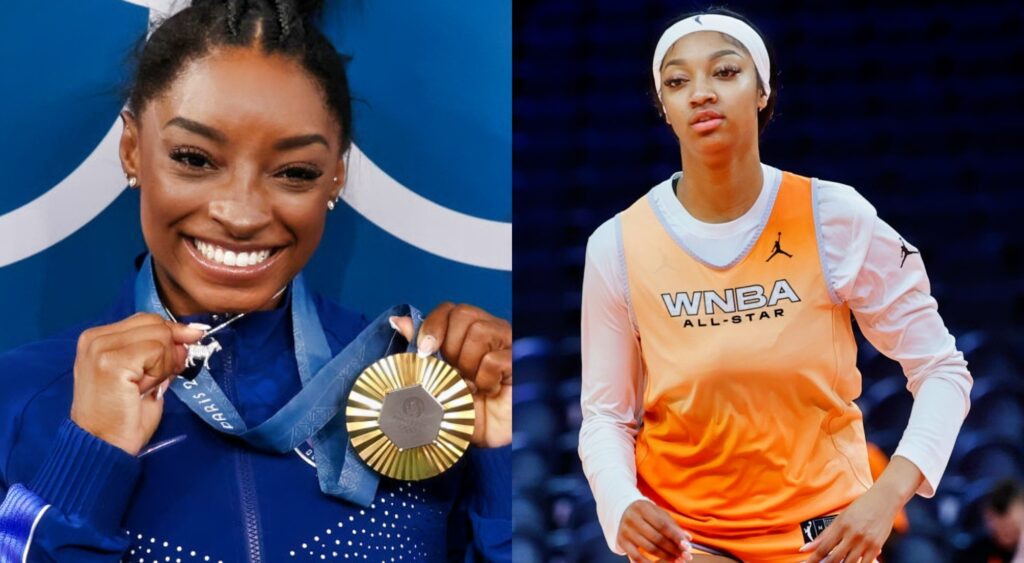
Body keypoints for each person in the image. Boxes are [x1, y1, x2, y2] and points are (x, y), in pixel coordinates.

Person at [0, 1, 511, 561]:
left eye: (294, 172)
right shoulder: (22, 399)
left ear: (336, 174)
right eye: (195, 159)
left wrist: (505, 461)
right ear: (131, 149)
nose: (241, 215)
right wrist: (86, 462)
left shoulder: (429, 393)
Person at [577, 9, 972, 563]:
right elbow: (606, 417)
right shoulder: (616, 244)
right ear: (663, 107)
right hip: (690, 542)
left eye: (725, 71)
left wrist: (886, 498)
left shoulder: (834, 216)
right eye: (677, 81)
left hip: (823, 538)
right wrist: (619, 504)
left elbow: (942, 369)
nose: (701, 93)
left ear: (762, 90)